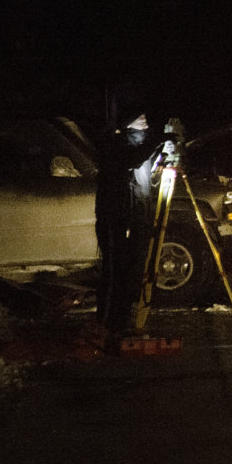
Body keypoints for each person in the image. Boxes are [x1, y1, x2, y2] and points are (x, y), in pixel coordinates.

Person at [94, 111, 166, 335]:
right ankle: (107, 324)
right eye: (138, 117)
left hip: (136, 219)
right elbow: (131, 159)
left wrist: (162, 157)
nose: (144, 119)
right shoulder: (115, 144)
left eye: (145, 116)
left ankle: (121, 320)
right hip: (115, 220)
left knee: (132, 270)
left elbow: (145, 168)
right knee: (116, 272)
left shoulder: (140, 144)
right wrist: (157, 142)